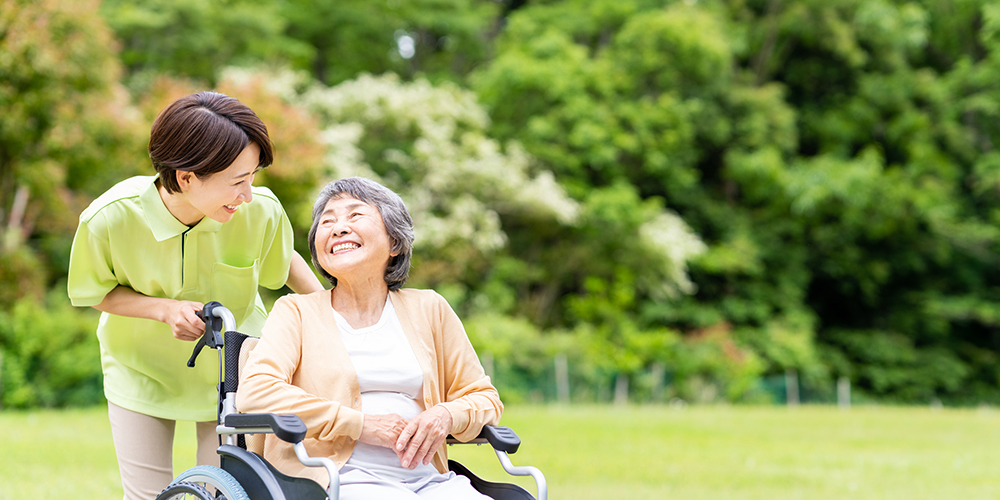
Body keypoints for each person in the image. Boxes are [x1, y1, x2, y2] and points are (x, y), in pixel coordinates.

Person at [67, 91, 324, 500]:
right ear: (186, 177)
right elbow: (93, 292)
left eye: (253, 177)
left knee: (230, 493)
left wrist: (335, 318)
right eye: (237, 182)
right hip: (141, 369)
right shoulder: (109, 218)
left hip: (234, 370)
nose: (249, 195)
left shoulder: (259, 211)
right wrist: (163, 309)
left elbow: (285, 263)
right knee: (147, 496)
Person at [237, 177, 502, 499]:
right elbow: (256, 393)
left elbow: (484, 398)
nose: (338, 228)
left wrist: (445, 415)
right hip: (335, 478)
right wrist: (360, 424)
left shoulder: (429, 308)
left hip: (429, 480)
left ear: (395, 242)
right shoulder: (296, 311)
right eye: (327, 221)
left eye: (355, 215)